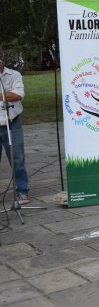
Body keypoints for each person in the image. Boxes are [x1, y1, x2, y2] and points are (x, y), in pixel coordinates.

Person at [0, 49, 30, 205]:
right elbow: (10, 95)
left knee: (17, 158)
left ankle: (22, 191)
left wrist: (4, 94)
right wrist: (6, 93)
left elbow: (18, 96)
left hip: (12, 122)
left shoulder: (14, 75)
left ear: (2, 59)